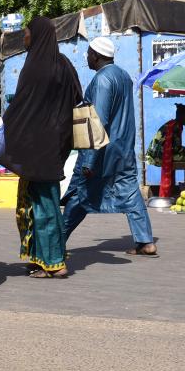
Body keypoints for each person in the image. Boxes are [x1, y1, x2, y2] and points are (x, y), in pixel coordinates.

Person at [62, 37, 158, 257]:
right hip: (123, 148)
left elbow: (99, 120)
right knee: (130, 192)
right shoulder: (123, 76)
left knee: (80, 193)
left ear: (96, 55)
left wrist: (88, 160)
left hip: (102, 150)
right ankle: (145, 241)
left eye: (88, 53)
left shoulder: (103, 80)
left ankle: (56, 242)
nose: (86, 57)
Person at [1, 17, 82, 278]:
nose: (24, 39)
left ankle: (55, 263)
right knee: (42, 202)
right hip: (56, 145)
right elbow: (77, 97)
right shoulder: (64, 65)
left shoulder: (34, 67)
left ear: (37, 36)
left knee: (42, 205)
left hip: (37, 149)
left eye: (26, 34)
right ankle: (41, 258)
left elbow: (22, 107)